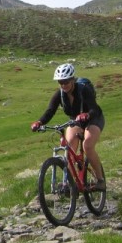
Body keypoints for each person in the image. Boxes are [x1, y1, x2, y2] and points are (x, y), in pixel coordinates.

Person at [31, 63, 106, 191]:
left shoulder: (84, 90)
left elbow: (93, 108)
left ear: (72, 80)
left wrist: (86, 114)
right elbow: (50, 111)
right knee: (69, 148)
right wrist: (39, 122)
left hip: (94, 118)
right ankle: (72, 183)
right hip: (75, 121)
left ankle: (100, 180)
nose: (63, 85)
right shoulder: (59, 94)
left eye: (66, 82)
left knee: (87, 146)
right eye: (60, 82)